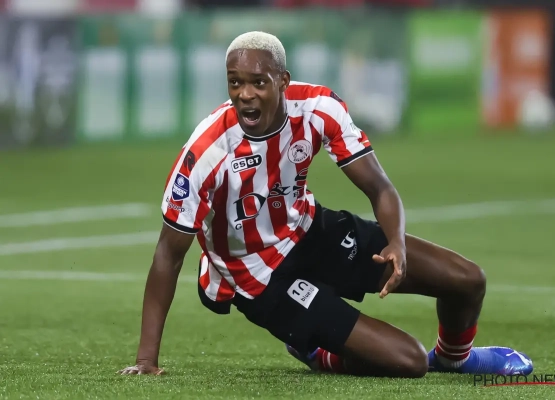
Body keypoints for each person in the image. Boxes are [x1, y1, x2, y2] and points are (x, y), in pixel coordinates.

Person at [119, 31, 533, 378]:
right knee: (408, 360)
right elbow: (168, 255)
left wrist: (396, 242)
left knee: (467, 279)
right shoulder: (206, 153)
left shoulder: (318, 109)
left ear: (283, 80)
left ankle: (454, 359)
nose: (245, 95)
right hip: (259, 277)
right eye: (235, 83)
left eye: (258, 82)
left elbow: (379, 186)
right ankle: (318, 352)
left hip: (310, 231)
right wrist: (146, 360)